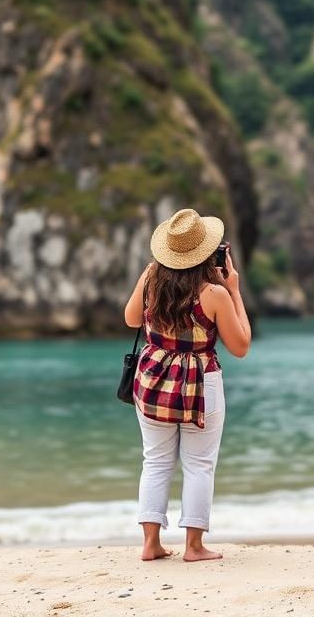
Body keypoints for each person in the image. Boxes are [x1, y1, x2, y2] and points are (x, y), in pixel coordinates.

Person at [123, 208, 252, 562]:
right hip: (200, 381)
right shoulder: (214, 293)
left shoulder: (151, 276)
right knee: (199, 464)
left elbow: (131, 318)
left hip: (152, 378)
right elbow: (240, 346)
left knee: (156, 461)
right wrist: (235, 291)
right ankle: (193, 547)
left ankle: (150, 544)